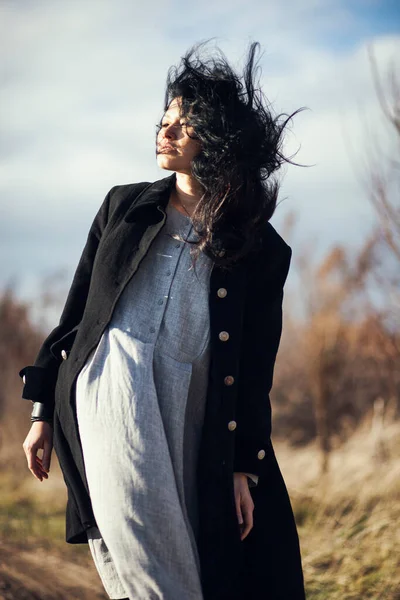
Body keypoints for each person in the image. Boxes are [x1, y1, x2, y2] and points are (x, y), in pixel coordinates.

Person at [20, 41, 306, 600]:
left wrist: (245, 467)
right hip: (111, 394)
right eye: (165, 119)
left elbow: (254, 370)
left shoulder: (260, 250)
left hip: (198, 415)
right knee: (150, 565)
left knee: (206, 560)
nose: (165, 131)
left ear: (217, 141)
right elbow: (75, 315)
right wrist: (42, 411)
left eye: (184, 124)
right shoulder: (122, 207)